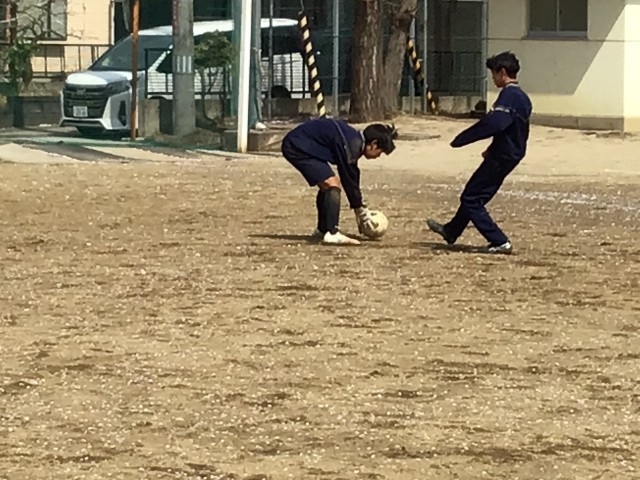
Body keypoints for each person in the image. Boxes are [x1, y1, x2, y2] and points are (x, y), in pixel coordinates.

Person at [426, 51, 532, 254]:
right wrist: (492, 148)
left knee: (472, 199)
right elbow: (515, 130)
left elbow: (495, 123)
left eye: (493, 74)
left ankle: (499, 241)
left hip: (503, 156)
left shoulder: (509, 96)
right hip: (508, 153)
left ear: (502, 72)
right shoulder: (522, 97)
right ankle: (451, 230)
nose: (493, 78)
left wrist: (463, 138)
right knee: (474, 193)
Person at [281, 118, 398, 245]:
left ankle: (323, 230)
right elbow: (348, 177)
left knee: (327, 184)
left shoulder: (353, 140)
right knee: (331, 184)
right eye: (380, 152)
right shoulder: (351, 144)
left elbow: (351, 175)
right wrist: (360, 210)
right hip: (297, 146)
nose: (378, 156)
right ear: (373, 144)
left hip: (300, 144)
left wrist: (359, 207)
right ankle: (332, 233)